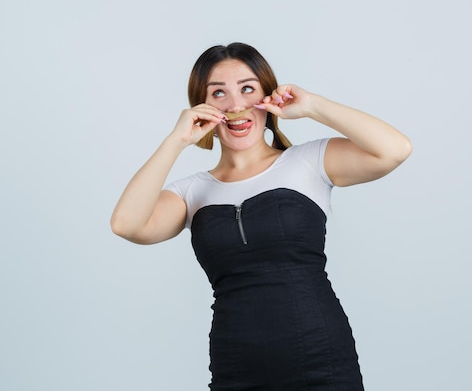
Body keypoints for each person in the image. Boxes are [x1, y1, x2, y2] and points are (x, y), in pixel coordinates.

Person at [110, 42, 412, 391]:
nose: (236, 105)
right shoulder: (190, 192)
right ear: (201, 107)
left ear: (268, 97)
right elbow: (126, 224)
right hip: (237, 368)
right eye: (218, 93)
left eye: (247, 89)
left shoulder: (309, 162)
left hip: (322, 361)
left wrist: (312, 105)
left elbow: (395, 149)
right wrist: (176, 140)